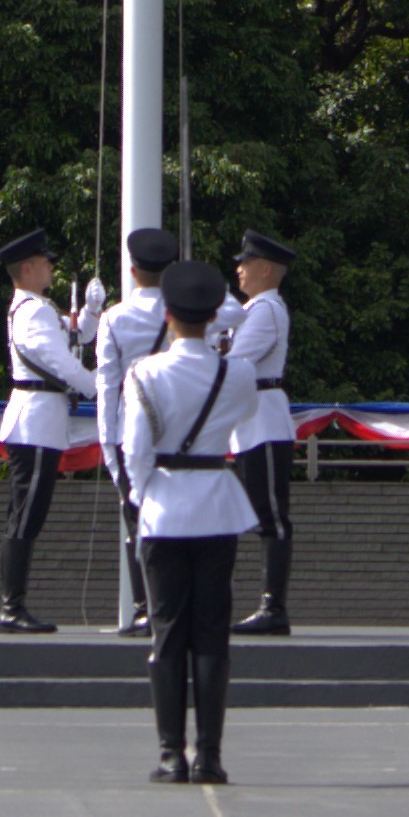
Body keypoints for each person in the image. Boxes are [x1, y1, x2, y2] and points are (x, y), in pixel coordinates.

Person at [115, 259, 257, 785]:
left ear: (169, 316)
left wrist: (142, 493)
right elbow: (240, 418)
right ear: (211, 317)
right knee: (212, 634)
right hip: (217, 507)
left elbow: (135, 449)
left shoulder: (145, 373)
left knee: (168, 634)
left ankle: (172, 754)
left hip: (164, 509)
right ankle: (211, 756)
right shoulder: (237, 373)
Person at [0, 229, 94, 635]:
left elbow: (74, 338)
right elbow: (57, 359)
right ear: (28, 267)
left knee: (25, 516)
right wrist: (94, 385)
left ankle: (13, 605)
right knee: (25, 517)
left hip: (40, 420)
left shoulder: (35, 307)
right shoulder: (33, 310)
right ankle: (11, 608)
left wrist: (92, 310)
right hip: (36, 420)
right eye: (45, 261)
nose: (51, 267)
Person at [92, 227, 175, 635]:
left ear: (133, 270)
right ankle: (172, 607)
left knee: (136, 521)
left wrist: (108, 441)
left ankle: (144, 608)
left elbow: (106, 384)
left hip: (130, 432)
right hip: (178, 433)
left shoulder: (114, 318)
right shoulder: (182, 312)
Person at [222, 233, 305, 637]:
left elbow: (235, 362)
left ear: (266, 269)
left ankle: (273, 607)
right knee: (261, 515)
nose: (239, 267)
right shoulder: (253, 309)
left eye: (246, 262)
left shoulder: (266, 309)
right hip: (251, 420)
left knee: (271, 517)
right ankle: (268, 605)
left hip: (264, 420)